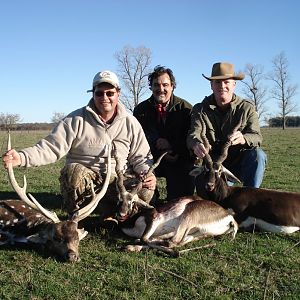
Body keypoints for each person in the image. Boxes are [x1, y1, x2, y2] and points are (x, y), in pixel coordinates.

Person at [2, 70, 156, 224]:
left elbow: (141, 156)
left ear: (118, 94)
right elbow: (50, 148)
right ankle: (76, 218)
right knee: (73, 171)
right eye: (99, 93)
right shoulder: (75, 120)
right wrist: (22, 157)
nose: (105, 98)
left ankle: (121, 218)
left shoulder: (130, 122)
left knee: (145, 188)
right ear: (93, 94)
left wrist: (146, 172)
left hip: (116, 183)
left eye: (110, 93)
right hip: (86, 183)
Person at [187, 62, 267, 188]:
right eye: (217, 82)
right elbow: (194, 134)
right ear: (211, 85)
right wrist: (196, 144)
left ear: (234, 84)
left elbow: (257, 136)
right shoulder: (200, 109)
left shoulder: (247, 108)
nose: (222, 86)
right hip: (213, 166)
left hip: (239, 163)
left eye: (226, 82)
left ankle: (251, 194)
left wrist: (244, 138)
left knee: (258, 155)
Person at [133, 65, 195, 201]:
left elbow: (192, 139)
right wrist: (158, 149)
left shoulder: (186, 109)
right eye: (156, 85)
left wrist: (172, 147)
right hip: (150, 160)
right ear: (151, 87)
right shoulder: (140, 111)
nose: (161, 89)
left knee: (180, 202)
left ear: (172, 86)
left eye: (165, 85)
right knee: (145, 194)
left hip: (179, 158)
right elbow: (136, 141)